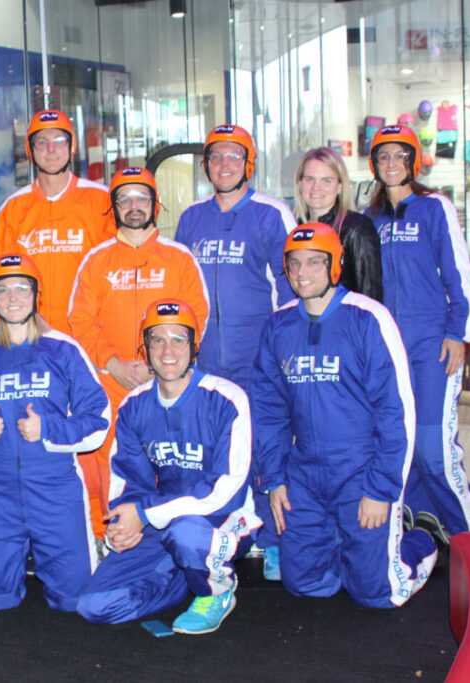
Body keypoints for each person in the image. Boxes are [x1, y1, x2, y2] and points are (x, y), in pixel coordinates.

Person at [252, 223, 437, 607]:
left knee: (378, 593)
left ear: (335, 264)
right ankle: (346, 544)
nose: (302, 272)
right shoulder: (279, 325)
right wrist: (275, 479)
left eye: (314, 262)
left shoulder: (367, 318)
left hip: (361, 470)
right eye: (294, 263)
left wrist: (380, 489)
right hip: (305, 473)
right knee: (305, 584)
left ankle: (421, 540)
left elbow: (396, 413)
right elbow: (268, 412)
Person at [77, 299, 260, 634]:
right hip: (161, 521)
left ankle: (215, 590)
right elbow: (127, 482)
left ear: (194, 346)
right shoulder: (133, 405)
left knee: (187, 534)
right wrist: (124, 526)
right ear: (145, 348)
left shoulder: (227, 398)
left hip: (220, 519)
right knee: (95, 605)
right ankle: (183, 577)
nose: (167, 350)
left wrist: (146, 514)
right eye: (157, 340)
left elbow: (226, 493)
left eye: (178, 339)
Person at [0, 254, 110, 611]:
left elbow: (99, 420)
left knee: (76, 601)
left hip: (55, 487)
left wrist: (49, 429)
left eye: (22, 288)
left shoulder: (64, 350)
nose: (13, 297)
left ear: (37, 295)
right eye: (3, 290)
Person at [173, 123, 296, 579]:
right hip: (206, 361)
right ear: (206, 166)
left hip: (257, 357)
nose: (224, 165)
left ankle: (276, 541)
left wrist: (284, 351)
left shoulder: (271, 214)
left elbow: (292, 287)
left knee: (266, 448)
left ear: (249, 163)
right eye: (215, 157)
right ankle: (220, 535)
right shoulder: (191, 219)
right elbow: (181, 291)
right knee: (213, 451)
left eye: (233, 156)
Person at [68, 167, 208, 538]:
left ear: (155, 203)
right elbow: (80, 321)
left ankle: (172, 537)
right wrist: (112, 364)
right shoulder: (96, 260)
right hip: (111, 384)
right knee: (110, 463)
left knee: (171, 458)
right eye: (124, 198)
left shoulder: (179, 258)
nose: (134, 206)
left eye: (142, 197)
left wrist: (163, 365)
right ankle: (110, 536)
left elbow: (197, 318)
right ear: (113, 207)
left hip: (167, 384)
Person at [366, 125, 470, 540]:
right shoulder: (370, 219)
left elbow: (458, 274)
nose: (391, 163)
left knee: (434, 450)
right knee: (402, 445)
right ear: (374, 164)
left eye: (400, 155)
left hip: (433, 346)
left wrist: (458, 332)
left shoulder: (434, 208)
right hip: (388, 349)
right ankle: (426, 527)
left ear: (413, 161)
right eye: (383, 156)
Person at [0, 109, 116, 333]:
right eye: (42, 141)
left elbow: (118, 275)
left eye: (59, 140)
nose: (51, 149)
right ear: (30, 150)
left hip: (89, 338)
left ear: (72, 146)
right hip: (33, 338)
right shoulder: (13, 208)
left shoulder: (102, 201)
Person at [294, 146, 383, 302]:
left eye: (326, 180)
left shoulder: (357, 228)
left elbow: (369, 295)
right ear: (300, 184)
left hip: (345, 317)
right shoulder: (293, 228)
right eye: (309, 179)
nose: (316, 187)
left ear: (340, 186)